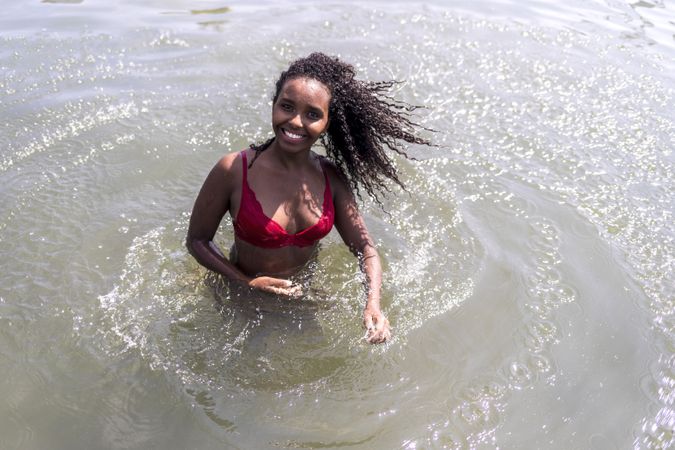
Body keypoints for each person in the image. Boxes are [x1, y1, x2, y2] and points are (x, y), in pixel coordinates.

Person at [186, 52, 431, 344]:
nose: (295, 122)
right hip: (238, 294)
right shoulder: (234, 169)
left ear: (328, 122)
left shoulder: (331, 177)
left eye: (312, 114)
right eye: (286, 107)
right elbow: (198, 241)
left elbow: (366, 249)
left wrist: (373, 305)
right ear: (274, 105)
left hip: (303, 295)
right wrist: (246, 281)